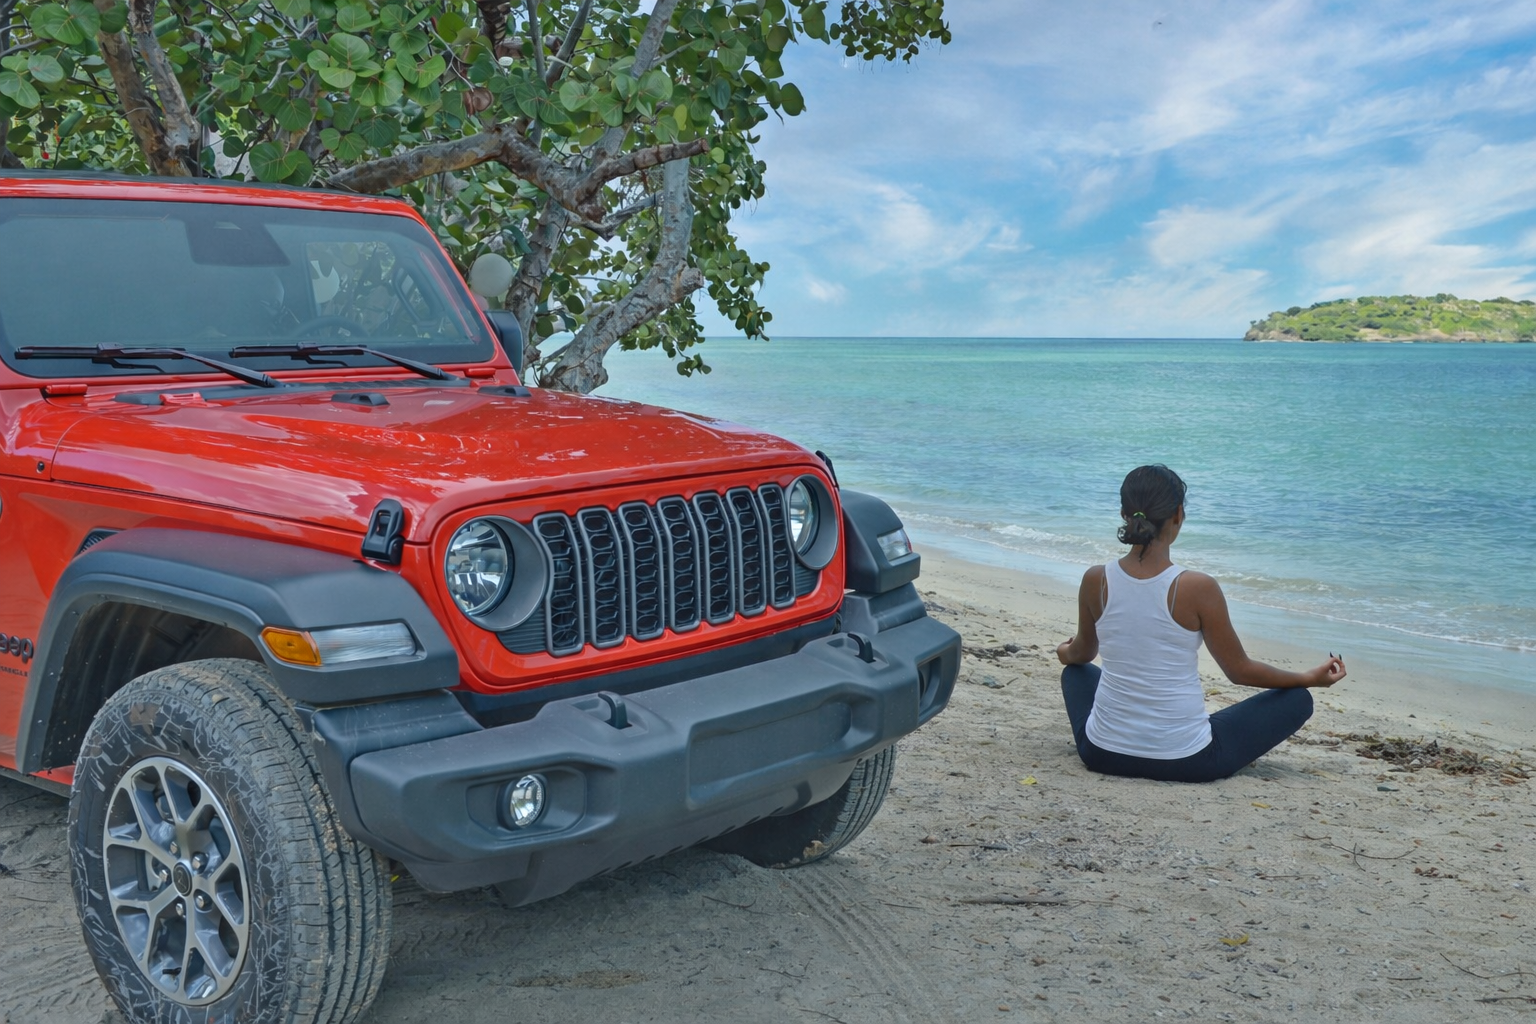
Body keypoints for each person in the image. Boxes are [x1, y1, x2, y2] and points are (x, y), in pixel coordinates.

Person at [1055, 465, 1346, 783]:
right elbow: (1239, 671)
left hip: (1101, 753)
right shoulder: (1197, 587)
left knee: (1077, 672)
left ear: (1124, 512)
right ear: (1178, 514)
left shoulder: (1095, 579)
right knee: (1297, 698)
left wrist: (1064, 651)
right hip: (1186, 761)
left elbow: (1082, 653)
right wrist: (1308, 678)